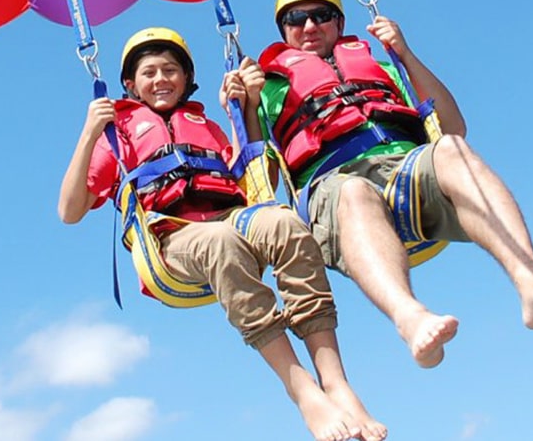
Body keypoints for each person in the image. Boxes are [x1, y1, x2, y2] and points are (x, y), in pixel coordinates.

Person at [58, 27, 385, 441]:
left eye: (171, 70)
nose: (161, 80)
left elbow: (254, 181)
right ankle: (301, 388)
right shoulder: (117, 133)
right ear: (130, 84)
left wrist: (244, 108)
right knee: (220, 242)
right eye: (150, 73)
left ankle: (336, 381)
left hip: (232, 217)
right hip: (172, 238)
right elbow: (69, 211)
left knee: (283, 221)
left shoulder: (206, 126)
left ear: (186, 78)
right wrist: (90, 131)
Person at [248, 0, 533, 369]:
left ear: (339, 25)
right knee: (354, 190)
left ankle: (532, 284)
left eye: (321, 16)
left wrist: (404, 54)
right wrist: (245, 107)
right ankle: (409, 317)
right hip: (335, 184)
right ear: (284, 31)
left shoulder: (379, 69)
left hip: (406, 172)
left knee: (452, 148)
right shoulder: (267, 89)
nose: (309, 27)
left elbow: (453, 125)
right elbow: (262, 189)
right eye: (296, 19)